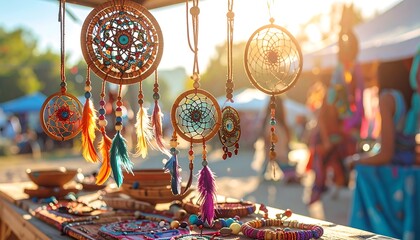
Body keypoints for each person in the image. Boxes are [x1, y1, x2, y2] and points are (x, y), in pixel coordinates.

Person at [348, 60, 420, 239]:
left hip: (397, 174)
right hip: (413, 172)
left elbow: (386, 154)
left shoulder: (388, 98)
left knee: (361, 169)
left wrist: (356, 160)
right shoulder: (413, 99)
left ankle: (372, 231)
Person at [260, 96, 298, 183]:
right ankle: (291, 174)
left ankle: (291, 175)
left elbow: (267, 134)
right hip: (279, 150)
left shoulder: (273, 119)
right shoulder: (279, 120)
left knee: (276, 163)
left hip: (275, 149)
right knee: (282, 164)